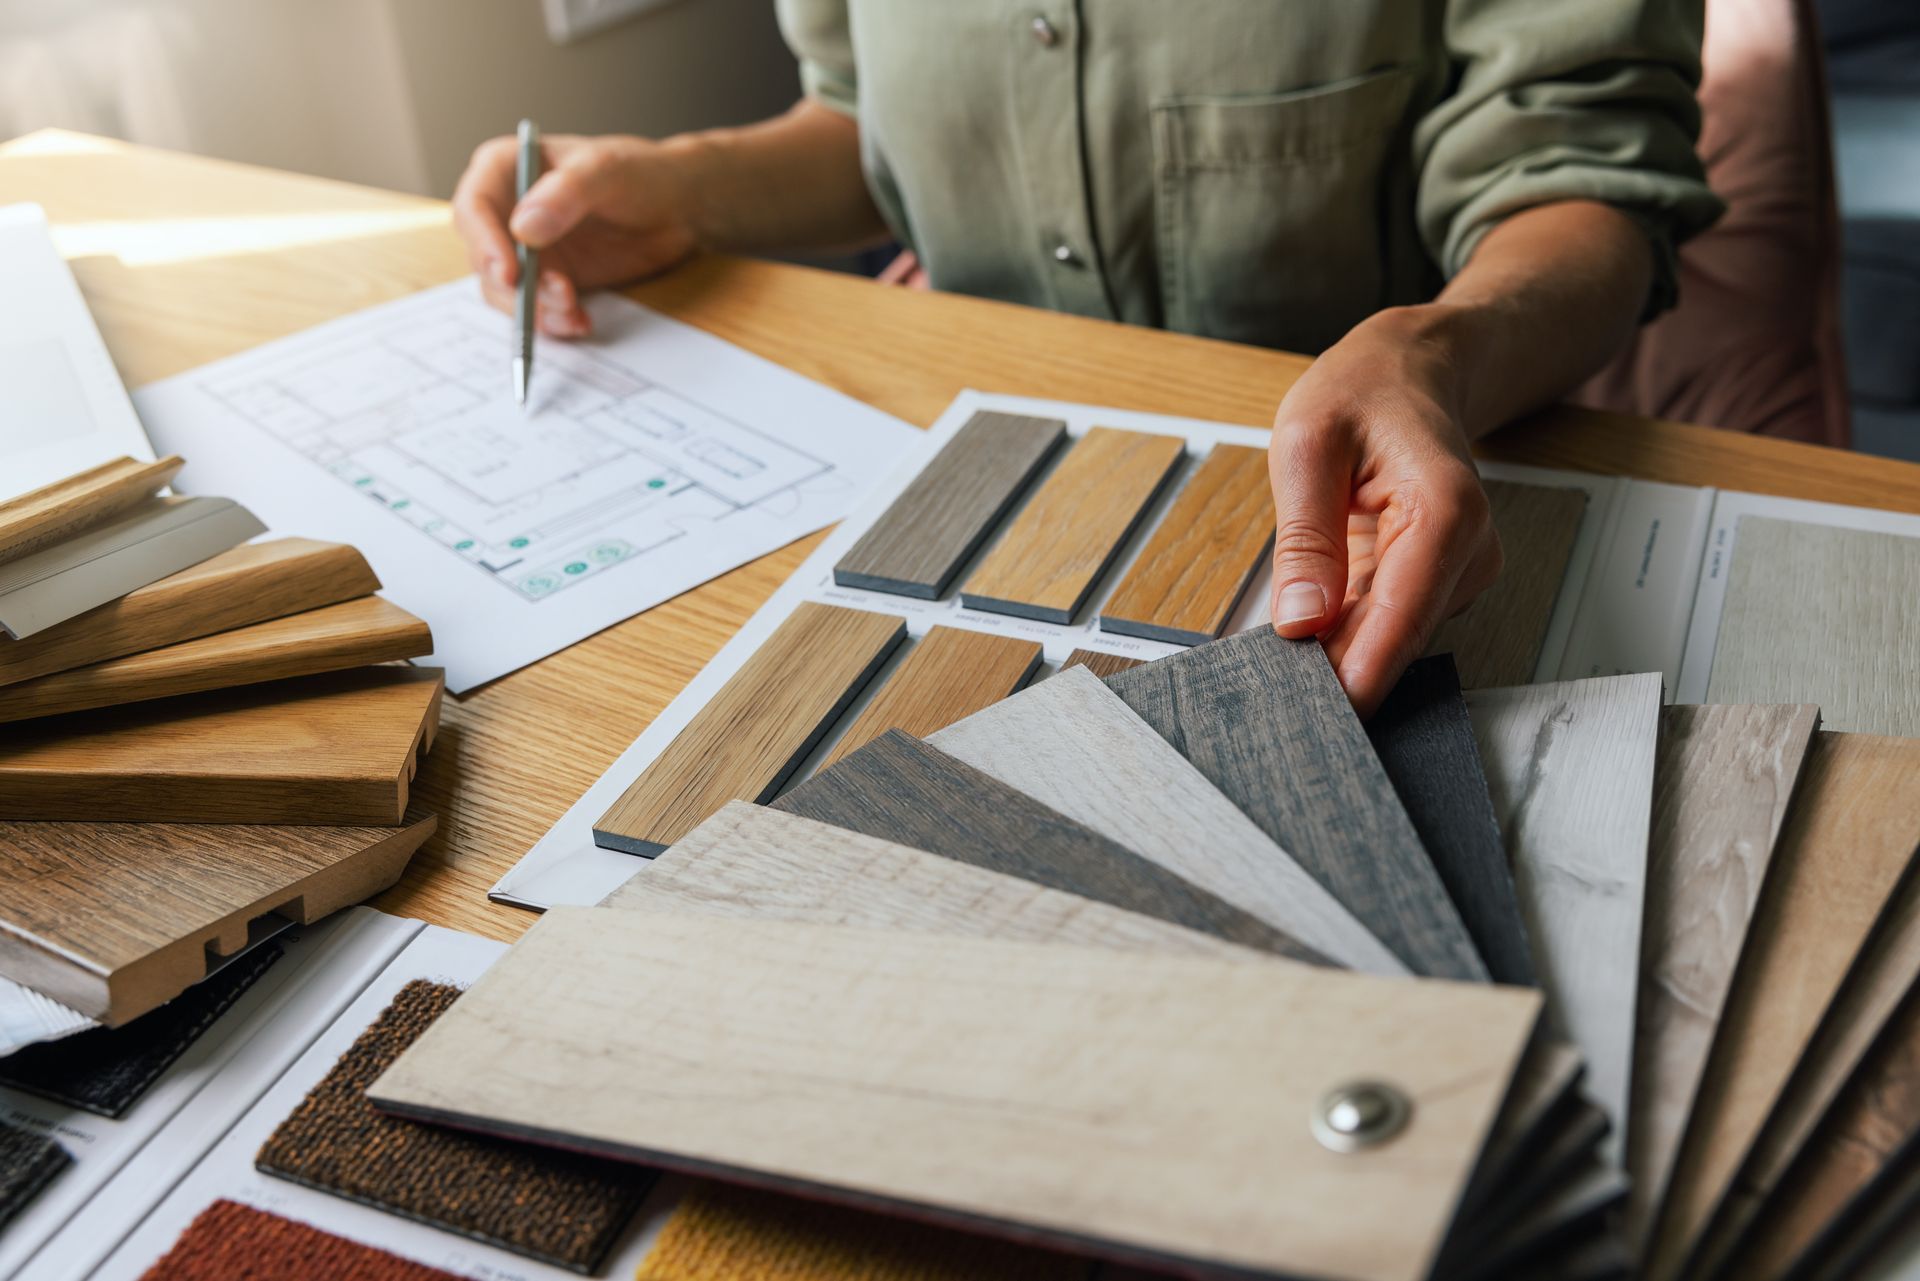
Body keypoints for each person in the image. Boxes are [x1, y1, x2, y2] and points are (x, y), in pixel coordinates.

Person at [451, 2, 1722, 714]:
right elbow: (868, 127)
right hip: (967, 486)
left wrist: (1435, 352)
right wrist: (683, 188)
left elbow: (1580, 186)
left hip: (1395, 512)